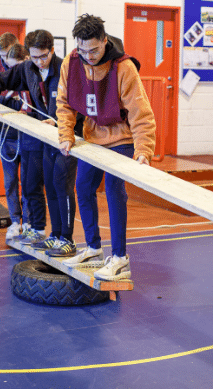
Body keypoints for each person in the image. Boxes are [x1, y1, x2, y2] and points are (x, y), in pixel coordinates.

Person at [56, 14, 156, 280]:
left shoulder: (123, 68)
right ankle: (93, 248)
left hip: (121, 138)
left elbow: (140, 112)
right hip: (91, 136)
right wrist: (65, 133)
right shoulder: (72, 61)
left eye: (94, 50)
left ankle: (120, 258)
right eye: (83, 49)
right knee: (83, 187)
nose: (88, 56)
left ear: (104, 41)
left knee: (113, 191)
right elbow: (64, 102)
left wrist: (144, 150)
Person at [0, 30, 81, 256]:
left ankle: (66, 238)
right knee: (49, 185)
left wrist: (59, 122)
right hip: (46, 138)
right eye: (35, 57)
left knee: (63, 187)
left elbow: (79, 106)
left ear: (53, 50)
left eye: (44, 56)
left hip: (68, 137)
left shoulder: (67, 68)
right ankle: (55, 235)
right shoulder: (28, 68)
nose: (39, 62)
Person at [0, 33, 31, 241]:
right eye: (2, 56)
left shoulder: (29, 69)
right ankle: (15, 221)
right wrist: (6, 98)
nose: (5, 60)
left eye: (8, 55)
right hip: (6, 133)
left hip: (28, 133)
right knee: (10, 181)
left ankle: (29, 222)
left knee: (30, 182)